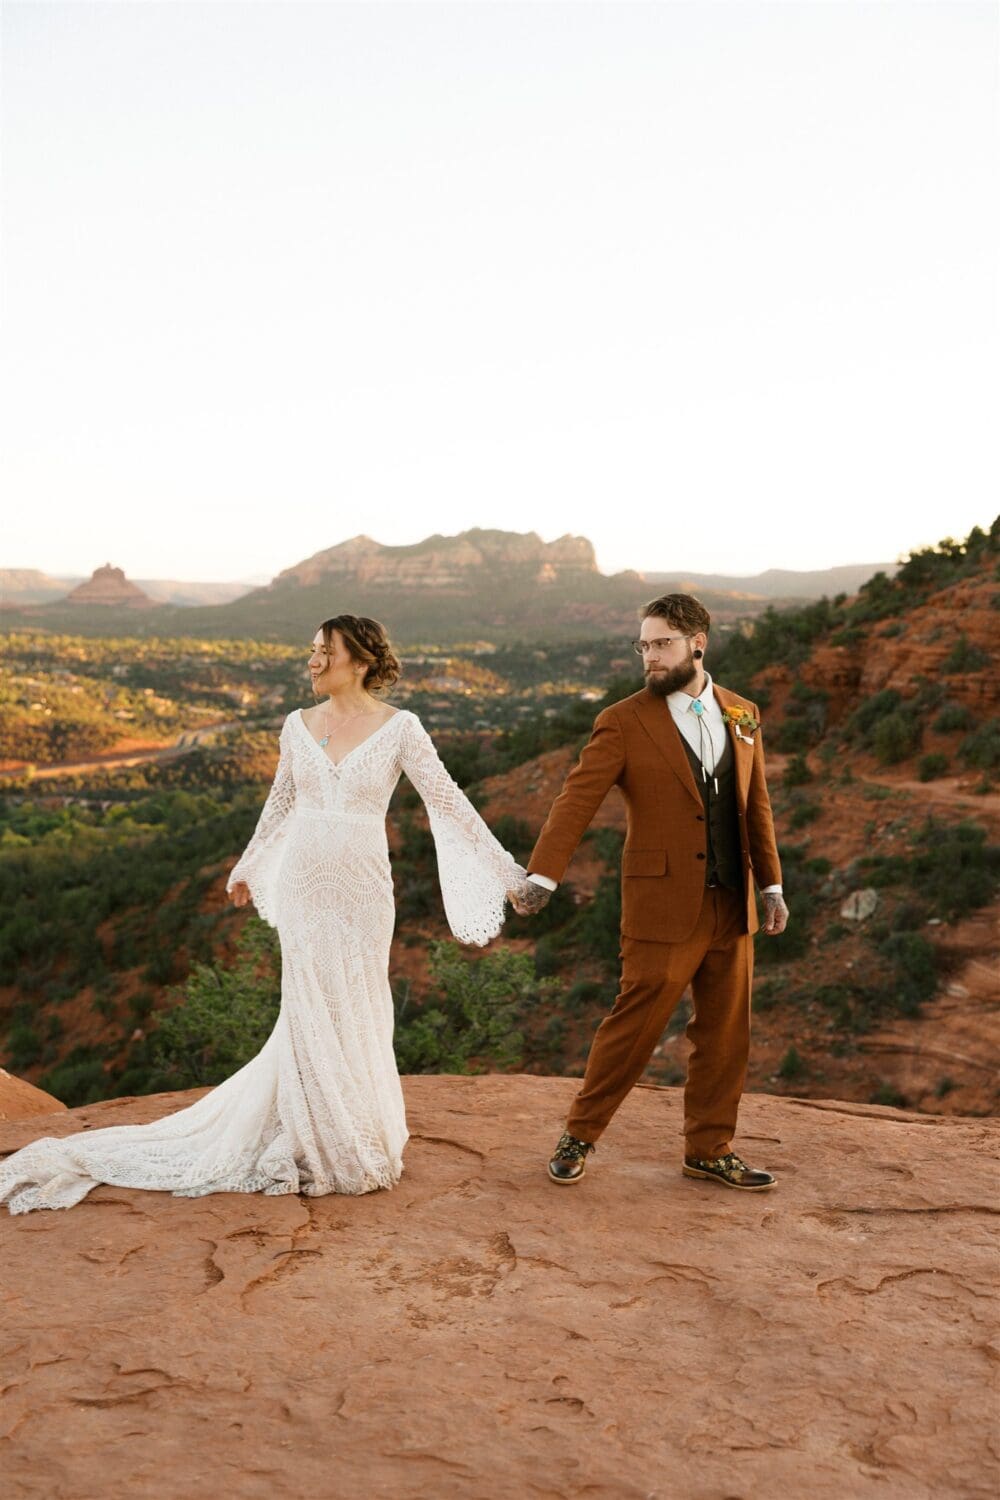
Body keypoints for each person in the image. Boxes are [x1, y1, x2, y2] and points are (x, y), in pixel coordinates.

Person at [0, 614, 530, 1214]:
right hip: (305, 882)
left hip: (362, 890)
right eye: (312, 651)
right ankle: (312, 1137)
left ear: (359, 661)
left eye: (323, 652)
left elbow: (449, 802)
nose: (312, 661)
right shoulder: (296, 725)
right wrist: (249, 864)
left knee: (356, 1000)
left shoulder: (401, 728)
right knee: (306, 1002)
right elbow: (280, 804)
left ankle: (351, 1126)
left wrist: (508, 874)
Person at [517, 593, 789, 1192]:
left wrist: (770, 884)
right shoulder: (624, 719)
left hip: (731, 902)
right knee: (634, 1025)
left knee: (725, 1034)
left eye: (661, 643)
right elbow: (577, 799)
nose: (649, 656)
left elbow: (756, 805)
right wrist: (543, 875)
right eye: (643, 645)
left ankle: (709, 1150)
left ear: (698, 643)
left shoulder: (743, 714)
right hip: (662, 904)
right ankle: (579, 1136)